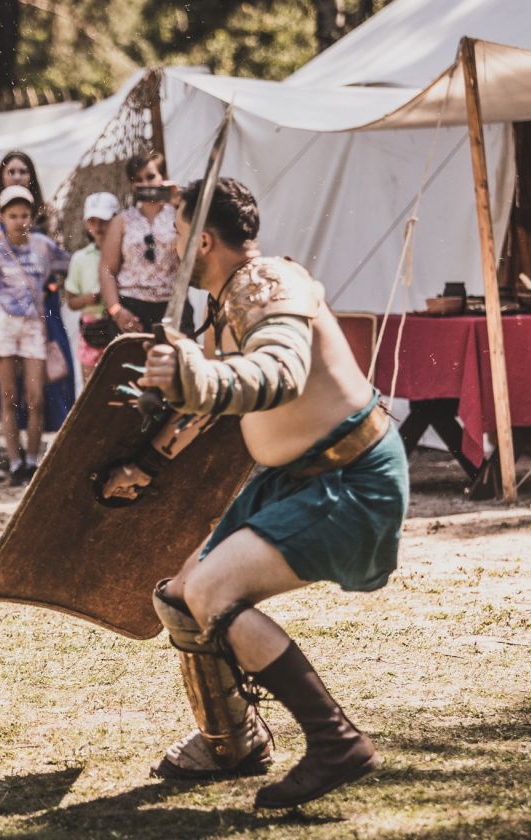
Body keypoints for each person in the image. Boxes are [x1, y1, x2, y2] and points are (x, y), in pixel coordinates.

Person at [132, 178, 408, 808]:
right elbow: (206, 405)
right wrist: (144, 462)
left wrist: (194, 375)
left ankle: (335, 740)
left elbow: (275, 373)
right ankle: (234, 741)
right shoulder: (226, 303)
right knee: (180, 596)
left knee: (210, 592)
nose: (172, 245)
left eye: (176, 232)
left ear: (202, 238)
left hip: (349, 477)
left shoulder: (272, 285)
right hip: (293, 479)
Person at [0, 185, 69, 484]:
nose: (19, 221)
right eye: (12, 215)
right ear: (2, 217)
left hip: (32, 326)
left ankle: (32, 459)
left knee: (35, 397)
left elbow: (69, 265)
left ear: (32, 215)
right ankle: (16, 463)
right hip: (3, 325)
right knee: (8, 396)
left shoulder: (43, 246)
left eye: (24, 214)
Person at [99, 151, 190, 335]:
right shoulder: (123, 220)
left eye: (150, 177)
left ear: (163, 177)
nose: (145, 184)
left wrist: (180, 201)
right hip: (132, 307)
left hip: (172, 305)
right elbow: (107, 268)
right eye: (138, 179)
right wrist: (116, 310)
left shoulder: (178, 214)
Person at [65, 192, 119, 379]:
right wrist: (91, 298)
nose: (98, 227)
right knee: (91, 388)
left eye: (104, 221)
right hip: (92, 331)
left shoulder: (126, 254)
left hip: (119, 328)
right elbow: (71, 301)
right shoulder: (81, 259)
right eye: (93, 221)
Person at [0, 150, 51, 236]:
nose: (17, 177)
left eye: (23, 172)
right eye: (11, 172)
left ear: (31, 177)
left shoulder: (46, 214)